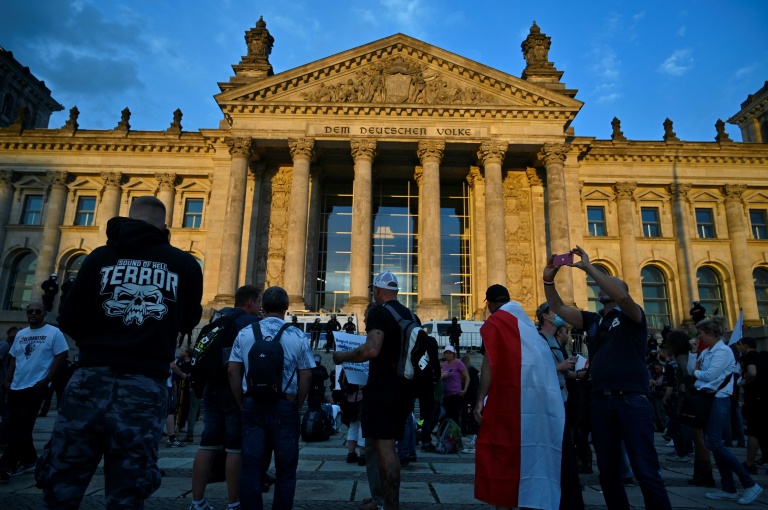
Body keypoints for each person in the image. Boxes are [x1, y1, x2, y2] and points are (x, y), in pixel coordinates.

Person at [39, 195, 203, 508]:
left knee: (63, 481)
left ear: (127, 219)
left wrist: (99, 342)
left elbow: (68, 316)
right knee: (128, 487)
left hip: (89, 379)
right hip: (144, 384)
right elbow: (189, 319)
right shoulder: (184, 264)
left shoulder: (98, 257)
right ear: (164, 227)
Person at [542, 246, 672, 509]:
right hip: (601, 401)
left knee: (645, 470)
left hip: (631, 399)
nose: (601, 287)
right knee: (608, 472)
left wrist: (589, 268)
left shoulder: (632, 315)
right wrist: (548, 279)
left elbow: (623, 297)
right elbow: (556, 306)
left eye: (608, 284)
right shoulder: (593, 320)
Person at [474, 284, 565, 510]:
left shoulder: (496, 322)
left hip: (507, 400)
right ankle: (530, 499)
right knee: (530, 454)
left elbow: (489, 362)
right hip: (534, 402)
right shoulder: (526, 325)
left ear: (490, 304)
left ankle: (504, 503)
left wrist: (480, 398)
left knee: (502, 455)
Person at [332, 271, 414, 510]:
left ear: (377, 291)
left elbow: (372, 349)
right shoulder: (409, 314)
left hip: (382, 390)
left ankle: (390, 505)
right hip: (404, 390)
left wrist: (342, 356)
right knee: (385, 446)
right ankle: (382, 499)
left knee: (386, 449)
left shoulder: (379, 312)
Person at [228, 286, 314, 510]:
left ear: (263, 306)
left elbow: (232, 371)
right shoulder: (297, 334)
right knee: (286, 471)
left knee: (250, 468)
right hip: (284, 405)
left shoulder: (245, 333)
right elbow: (306, 374)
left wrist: (241, 401)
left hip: (252, 403)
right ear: (286, 307)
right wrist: (297, 404)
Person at [190, 285, 262, 510]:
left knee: (207, 444)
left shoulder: (217, 319)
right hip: (233, 390)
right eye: (259, 302)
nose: (261, 307)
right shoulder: (249, 324)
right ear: (250, 303)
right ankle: (234, 503)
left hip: (211, 388)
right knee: (234, 449)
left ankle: (197, 501)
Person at [688, 317, 763, 504]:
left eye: (702, 333)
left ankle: (749, 483)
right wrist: (693, 353)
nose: (699, 336)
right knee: (713, 442)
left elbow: (708, 375)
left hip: (719, 399)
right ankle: (728, 488)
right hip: (709, 398)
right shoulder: (707, 352)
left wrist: (698, 373)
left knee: (714, 443)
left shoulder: (722, 351)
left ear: (711, 333)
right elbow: (692, 371)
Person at [0, 303, 68, 480]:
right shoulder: (21, 334)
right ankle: (30, 460)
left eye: (38, 311)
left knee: (23, 424)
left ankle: (6, 464)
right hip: (16, 386)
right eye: (30, 311)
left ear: (44, 314)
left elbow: (61, 355)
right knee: (16, 426)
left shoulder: (54, 332)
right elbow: (14, 358)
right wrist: (8, 379)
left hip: (36, 386)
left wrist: (47, 379)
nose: (34, 314)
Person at [535, 301, 583, 510]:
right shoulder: (537, 340)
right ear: (545, 316)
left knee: (565, 451)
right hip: (547, 403)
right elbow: (534, 370)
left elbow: (566, 373)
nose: (560, 314)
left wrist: (581, 373)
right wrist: (559, 366)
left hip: (562, 400)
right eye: (555, 311)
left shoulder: (556, 341)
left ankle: (565, 497)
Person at [739, 337, 767, 475]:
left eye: (740, 346)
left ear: (745, 346)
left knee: (754, 431)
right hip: (763, 396)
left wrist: (745, 381)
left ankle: (749, 463)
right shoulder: (762, 356)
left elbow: (752, 372)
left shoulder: (749, 356)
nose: (740, 349)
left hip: (755, 397)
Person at [0, 326, 20, 449]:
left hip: (8, 385)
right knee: (6, 413)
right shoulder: (5, 345)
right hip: (3, 385)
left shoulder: (13, 346)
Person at [440, 345, 469, 426]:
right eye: (446, 353)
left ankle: (455, 436)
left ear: (453, 354)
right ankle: (443, 432)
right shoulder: (444, 364)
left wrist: (465, 389)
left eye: (450, 353)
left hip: (456, 394)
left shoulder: (458, 363)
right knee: (444, 414)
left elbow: (467, 377)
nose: (448, 355)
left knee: (454, 416)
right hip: (446, 394)